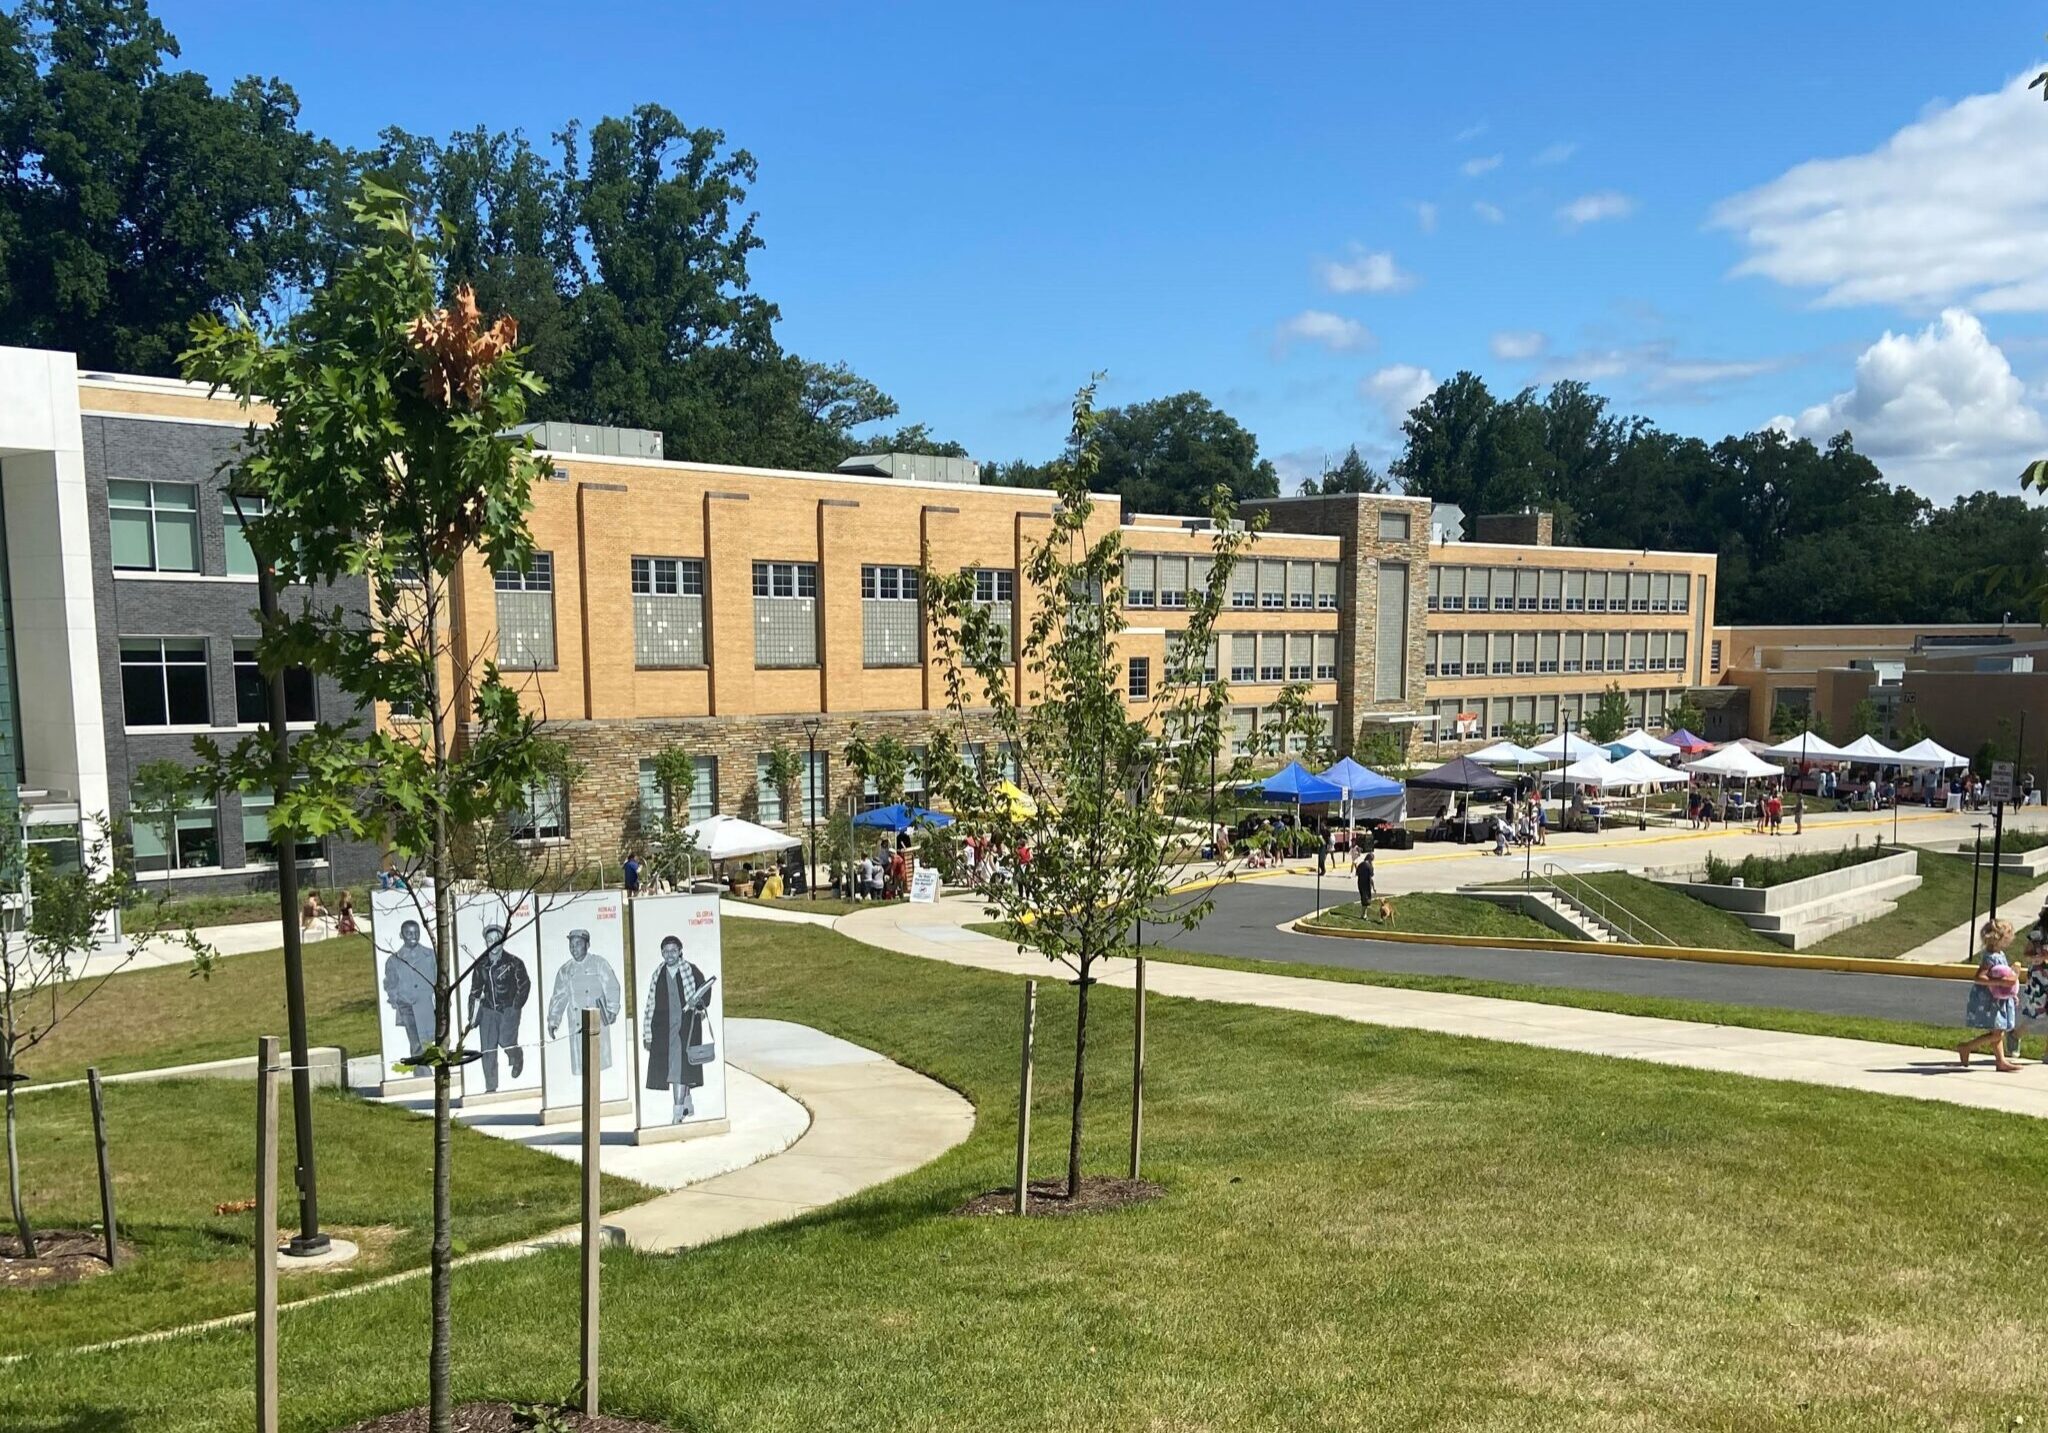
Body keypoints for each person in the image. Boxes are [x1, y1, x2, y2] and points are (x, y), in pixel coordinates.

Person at [642, 934, 718, 1123]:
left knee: (680, 1069)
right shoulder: (658, 974)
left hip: (687, 1027)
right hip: (664, 1030)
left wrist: (697, 1003)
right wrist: (647, 1033)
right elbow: (650, 1004)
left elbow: (705, 993)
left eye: (673, 951)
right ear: (662, 953)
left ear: (680, 951)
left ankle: (677, 1113)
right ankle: (686, 1106)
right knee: (677, 1069)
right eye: (666, 951)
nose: (670, 955)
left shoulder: (691, 971)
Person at [546, 928, 623, 1076]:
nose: (574, 948)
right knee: (583, 1065)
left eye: (578, 944)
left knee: (599, 1064)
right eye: (571, 945)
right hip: (576, 1022)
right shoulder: (565, 970)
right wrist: (553, 1021)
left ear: (587, 945)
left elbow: (612, 985)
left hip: (597, 1019)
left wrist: (612, 1009)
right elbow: (558, 998)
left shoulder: (599, 963)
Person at [467, 923, 531, 1094]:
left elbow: (524, 985)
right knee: (488, 1049)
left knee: (506, 1041)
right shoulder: (481, 965)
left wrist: (515, 1006)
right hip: (488, 1011)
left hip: (508, 1009)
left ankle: (516, 1056)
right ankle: (491, 1086)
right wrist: (472, 1016)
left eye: (497, 940)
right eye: (490, 940)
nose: (494, 944)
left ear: (503, 941)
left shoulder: (514, 963)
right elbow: (475, 990)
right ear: (486, 943)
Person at [1960, 919, 2023, 1072]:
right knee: (1997, 1033)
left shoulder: (1999, 954)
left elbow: (2004, 974)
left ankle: (2000, 1061)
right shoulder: (1990, 957)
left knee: (1998, 1029)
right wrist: (2001, 982)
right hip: (1991, 1000)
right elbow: (1979, 977)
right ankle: (1967, 1047)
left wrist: (2011, 992)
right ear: (2000, 939)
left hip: (1999, 998)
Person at [382, 919, 436, 1064]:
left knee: (432, 1042)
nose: (413, 936)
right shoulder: (394, 960)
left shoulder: (430, 955)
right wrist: (397, 1001)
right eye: (408, 933)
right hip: (408, 1008)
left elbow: (439, 978)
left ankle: (437, 1074)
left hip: (428, 1006)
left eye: (416, 932)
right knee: (416, 1044)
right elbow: (390, 984)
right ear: (402, 935)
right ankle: (422, 1076)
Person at [1355, 840, 1375, 908]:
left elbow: (1357, 873)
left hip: (1360, 882)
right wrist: (1373, 886)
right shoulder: (1370, 866)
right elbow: (1371, 876)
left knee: (1362, 897)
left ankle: (1363, 913)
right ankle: (1364, 914)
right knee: (1367, 898)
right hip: (1367, 883)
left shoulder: (1360, 865)